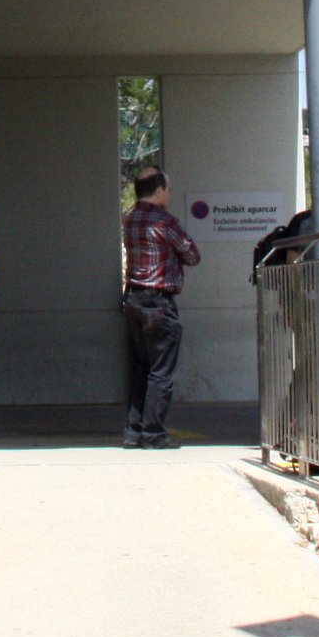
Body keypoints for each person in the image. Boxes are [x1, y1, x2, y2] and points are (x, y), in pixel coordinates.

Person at [120, 167, 199, 449]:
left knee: (141, 366)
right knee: (161, 369)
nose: (170, 193)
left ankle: (133, 430)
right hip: (159, 301)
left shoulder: (129, 219)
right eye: (168, 188)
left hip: (134, 298)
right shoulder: (164, 221)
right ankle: (153, 433)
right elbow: (191, 254)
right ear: (158, 192)